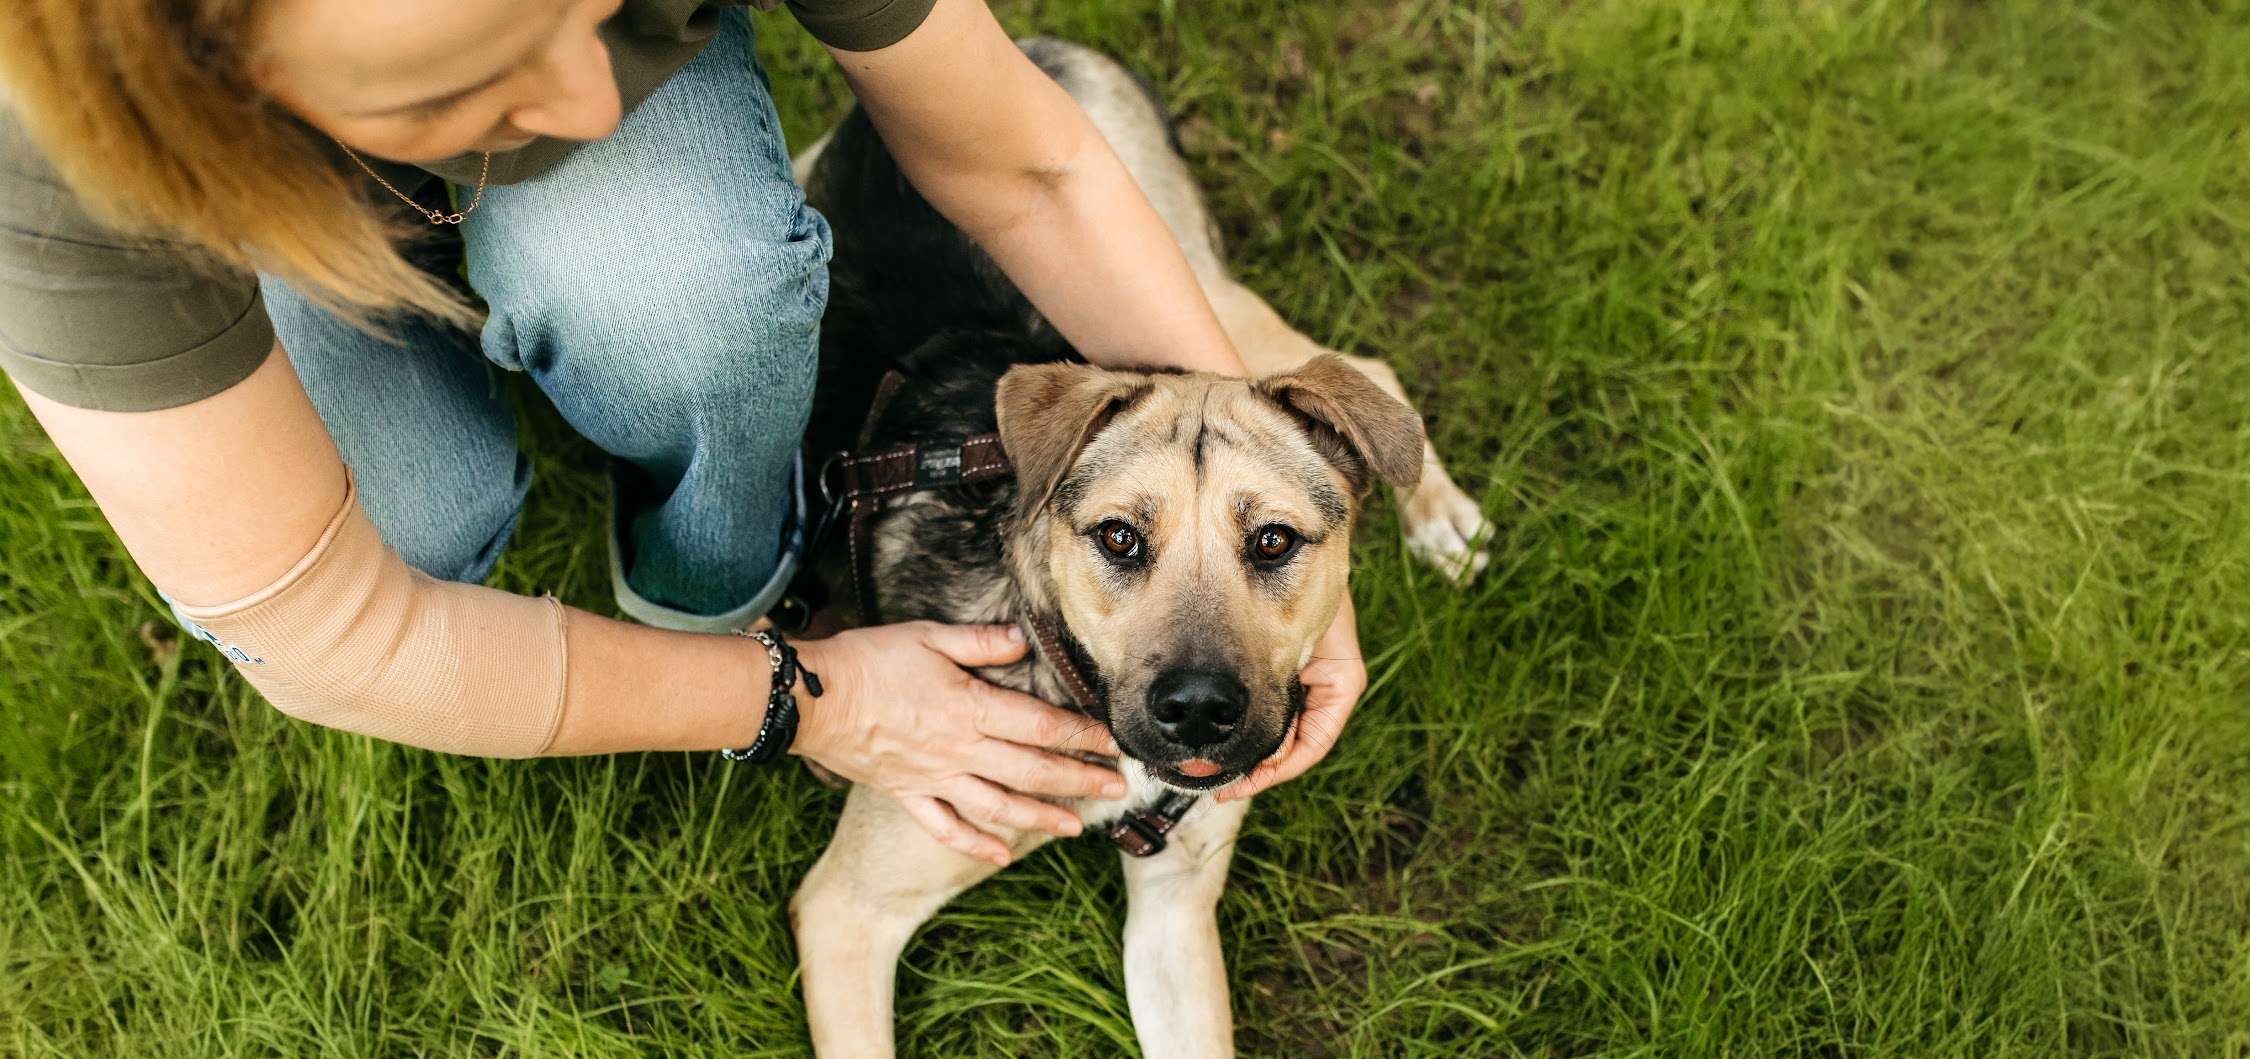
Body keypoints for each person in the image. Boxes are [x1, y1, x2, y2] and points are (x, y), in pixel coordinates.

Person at [0, 0, 1367, 866]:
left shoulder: (584, 88)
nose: (596, 107)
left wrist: (1273, 523)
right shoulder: (48, 156)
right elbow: (326, 631)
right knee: (410, 532)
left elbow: (1034, 163)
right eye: (445, 87)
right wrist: (810, 704)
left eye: (604, 8)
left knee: (696, 282)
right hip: (248, 199)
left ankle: (717, 586)